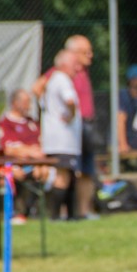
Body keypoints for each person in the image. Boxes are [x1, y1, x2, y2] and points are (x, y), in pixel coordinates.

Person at [32, 35, 99, 220]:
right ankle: (58, 214)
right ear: (73, 53)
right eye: (86, 51)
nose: (90, 55)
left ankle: (82, 212)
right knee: (66, 172)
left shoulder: (79, 71)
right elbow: (37, 88)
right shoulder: (60, 71)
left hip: (82, 126)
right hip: (69, 130)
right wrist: (50, 111)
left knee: (85, 169)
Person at [0, 89, 58, 222]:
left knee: (43, 171)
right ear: (15, 103)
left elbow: (39, 144)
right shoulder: (5, 123)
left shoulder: (31, 122)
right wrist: (29, 151)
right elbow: (9, 149)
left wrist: (31, 151)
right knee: (15, 173)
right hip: (12, 164)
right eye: (25, 102)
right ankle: (16, 212)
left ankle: (29, 211)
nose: (29, 106)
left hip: (32, 163)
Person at [40, 49, 82, 220]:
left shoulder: (54, 80)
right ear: (64, 64)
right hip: (62, 140)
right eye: (75, 64)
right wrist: (71, 115)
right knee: (62, 177)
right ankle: (55, 216)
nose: (78, 68)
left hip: (60, 140)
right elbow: (70, 101)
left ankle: (70, 216)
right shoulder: (62, 79)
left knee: (68, 176)